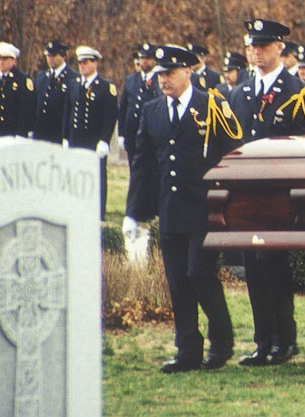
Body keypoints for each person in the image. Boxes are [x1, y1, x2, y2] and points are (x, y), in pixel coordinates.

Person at [124, 44, 242, 373]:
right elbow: (143, 164)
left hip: (206, 208)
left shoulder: (212, 105)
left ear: (188, 71)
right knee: (178, 282)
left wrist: (227, 199)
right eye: (160, 74)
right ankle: (187, 350)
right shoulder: (152, 111)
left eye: (170, 73)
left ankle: (222, 341)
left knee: (199, 273)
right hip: (171, 209)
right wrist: (134, 211)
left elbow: (233, 152)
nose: (164, 79)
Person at [228, 18, 305, 367]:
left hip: (281, 193)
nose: (257, 52)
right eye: (253, 46)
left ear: (280, 49)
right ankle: (262, 340)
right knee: (253, 267)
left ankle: (284, 339)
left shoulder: (297, 91)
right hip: (246, 195)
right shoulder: (239, 93)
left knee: (276, 266)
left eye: (264, 46)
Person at [62, 46, 118, 219]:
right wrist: (65, 137)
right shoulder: (74, 84)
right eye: (79, 62)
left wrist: (104, 140)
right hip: (75, 139)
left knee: (97, 177)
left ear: (95, 63)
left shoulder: (105, 87)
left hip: (94, 141)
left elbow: (110, 116)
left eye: (85, 62)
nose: (82, 66)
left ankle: (98, 214)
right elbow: (68, 112)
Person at [0, 41, 35, 137]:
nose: (1, 62)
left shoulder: (22, 80)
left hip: (11, 133)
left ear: (14, 61)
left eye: (5, 59)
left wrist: (21, 133)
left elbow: (26, 110)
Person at [118, 42, 161, 164]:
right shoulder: (131, 79)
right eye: (142, 58)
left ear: (154, 60)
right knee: (134, 170)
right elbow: (123, 108)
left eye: (147, 58)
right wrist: (121, 134)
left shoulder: (159, 79)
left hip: (151, 135)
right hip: (132, 135)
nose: (144, 62)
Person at [33, 40, 78, 142]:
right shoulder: (41, 77)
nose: (50, 58)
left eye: (53, 55)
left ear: (63, 56)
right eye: (48, 55)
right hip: (40, 134)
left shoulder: (73, 78)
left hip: (59, 134)